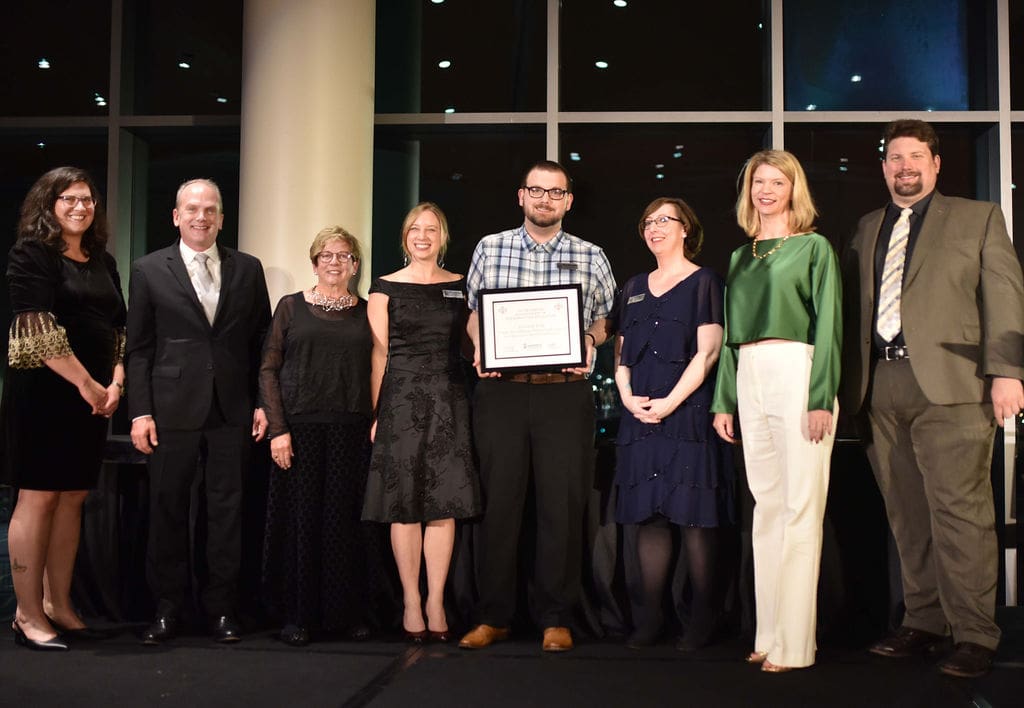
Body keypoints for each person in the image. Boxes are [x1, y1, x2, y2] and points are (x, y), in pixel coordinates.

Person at [841, 119, 1024, 679]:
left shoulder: (978, 218)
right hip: (882, 386)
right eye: (895, 157)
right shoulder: (867, 227)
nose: (905, 166)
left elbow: (1005, 296)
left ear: (936, 163)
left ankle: (974, 633)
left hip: (954, 384)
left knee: (961, 514)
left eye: (916, 155)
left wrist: (1007, 373)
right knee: (907, 513)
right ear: (884, 167)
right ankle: (923, 622)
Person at [458, 160, 616, 653]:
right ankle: (494, 616)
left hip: (563, 392)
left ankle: (556, 616)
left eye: (556, 192)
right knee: (499, 503)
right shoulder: (491, 246)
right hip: (502, 392)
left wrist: (589, 339)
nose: (545, 199)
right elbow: (473, 314)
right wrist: (482, 344)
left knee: (561, 505)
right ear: (521, 196)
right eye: (536, 190)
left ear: (568, 201)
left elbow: (605, 318)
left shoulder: (590, 255)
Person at [711, 150, 841, 672]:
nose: (766, 190)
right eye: (758, 182)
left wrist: (819, 397)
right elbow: (728, 336)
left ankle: (796, 645)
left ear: (793, 190)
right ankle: (768, 634)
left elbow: (829, 325)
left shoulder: (814, 248)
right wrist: (725, 401)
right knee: (765, 511)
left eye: (776, 182)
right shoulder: (743, 256)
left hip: (797, 368)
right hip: (750, 374)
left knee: (800, 509)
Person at [126, 178, 271, 645]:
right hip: (170, 411)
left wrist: (264, 403)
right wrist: (139, 411)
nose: (201, 217)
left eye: (210, 209)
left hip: (232, 409)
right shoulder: (148, 269)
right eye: (192, 208)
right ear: (176, 216)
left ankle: (221, 609)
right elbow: (140, 348)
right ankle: (168, 610)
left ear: (222, 219)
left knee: (226, 513)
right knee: (168, 511)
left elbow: (262, 344)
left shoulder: (248, 269)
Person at [2, 167, 126, 651]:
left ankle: (59, 605)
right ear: (48, 205)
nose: (81, 207)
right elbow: (33, 328)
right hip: (44, 395)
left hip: (92, 399)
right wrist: (89, 385)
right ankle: (27, 614)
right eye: (69, 199)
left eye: (88, 200)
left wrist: (115, 382)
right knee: (38, 498)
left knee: (73, 497)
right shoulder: (31, 254)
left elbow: (120, 328)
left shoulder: (103, 261)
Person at [614, 197, 733, 650]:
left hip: (688, 416)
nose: (655, 227)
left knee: (695, 520)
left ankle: (701, 621)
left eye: (665, 220)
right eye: (648, 221)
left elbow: (708, 352)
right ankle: (650, 620)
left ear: (687, 229)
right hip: (639, 416)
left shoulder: (705, 282)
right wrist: (628, 398)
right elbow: (621, 354)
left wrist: (668, 403)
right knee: (650, 518)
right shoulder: (634, 286)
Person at [362, 203, 482, 643]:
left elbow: (477, 338)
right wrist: (375, 414)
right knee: (403, 506)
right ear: (405, 236)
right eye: (416, 228)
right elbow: (379, 356)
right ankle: (411, 600)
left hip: (450, 399)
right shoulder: (384, 287)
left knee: (443, 504)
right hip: (400, 402)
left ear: (443, 237)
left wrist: (488, 352)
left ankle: (436, 599)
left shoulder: (461, 286)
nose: (423, 236)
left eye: (432, 229)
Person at [259, 226, 375, 647]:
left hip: (352, 430)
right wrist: (278, 430)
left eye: (343, 255)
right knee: (302, 522)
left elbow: (379, 370)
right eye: (326, 255)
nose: (334, 261)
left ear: (355, 265)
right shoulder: (290, 308)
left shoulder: (366, 312)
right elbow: (269, 369)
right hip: (299, 431)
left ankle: (345, 615)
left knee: (344, 524)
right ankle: (298, 616)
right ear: (313, 263)